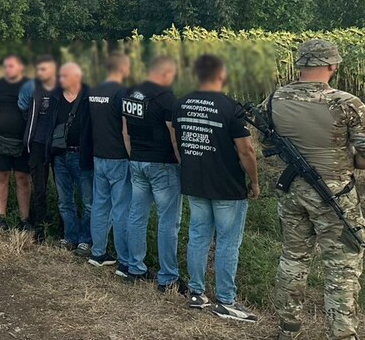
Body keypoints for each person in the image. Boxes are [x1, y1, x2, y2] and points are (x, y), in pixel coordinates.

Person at [267, 40, 365, 340]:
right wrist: (349, 160)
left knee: (293, 258)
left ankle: (287, 330)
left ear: (300, 64)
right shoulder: (346, 103)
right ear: (332, 66)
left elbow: (270, 140)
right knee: (341, 266)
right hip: (335, 192)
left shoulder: (275, 98)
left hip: (290, 190)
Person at [176, 54, 259, 321]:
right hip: (226, 186)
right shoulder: (230, 107)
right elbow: (246, 150)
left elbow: (178, 142)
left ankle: (197, 294)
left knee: (198, 237)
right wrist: (254, 182)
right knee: (227, 242)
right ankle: (226, 300)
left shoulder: (182, 104)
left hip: (195, 182)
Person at [123, 55, 183, 293]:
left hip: (137, 161)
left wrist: (133, 155)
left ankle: (134, 268)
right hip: (162, 165)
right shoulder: (167, 98)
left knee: (137, 216)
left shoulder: (131, 94)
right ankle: (167, 277)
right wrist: (181, 163)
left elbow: (125, 130)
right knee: (168, 221)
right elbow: (174, 135)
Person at [88, 52, 132, 273]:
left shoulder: (94, 90)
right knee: (121, 209)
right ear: (122, 68)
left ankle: (98, 252)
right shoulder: (122, 92)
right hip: (118, 157)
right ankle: (124, 261)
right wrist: (131, 154)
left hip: (99, 155)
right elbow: (126, 128)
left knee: (100, 204)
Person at [0, 55, 33, 233]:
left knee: (22, 178)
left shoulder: (30, 84)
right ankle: (1, 218)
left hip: (23, 141)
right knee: (1, 176)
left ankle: (25, 220)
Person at [53, 62, 93, 256]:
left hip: (81, 155)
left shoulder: (89, 97)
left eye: (64, 76)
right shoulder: (56, 98)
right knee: (64, 200)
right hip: (60, 155)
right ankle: (70, 237)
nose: (60, 80)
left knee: (88, 201)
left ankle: (86, 240)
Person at [22, 55, 61, 242]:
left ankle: (64, 230)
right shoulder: (34, 88)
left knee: (63, 189)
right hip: (37, 143)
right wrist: (28, 140)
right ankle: (40, 228)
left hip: (58, 145)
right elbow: (24, 109)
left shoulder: (62, 90)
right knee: (40, 188)